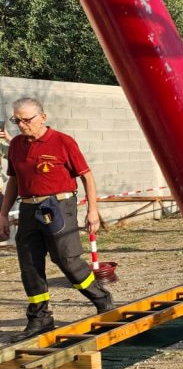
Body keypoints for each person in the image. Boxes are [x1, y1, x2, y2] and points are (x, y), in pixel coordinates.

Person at [0, 97, 114, 341]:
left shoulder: (63, 142)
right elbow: (14, 181)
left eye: (26, 120)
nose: (21, 125)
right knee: (29, 265)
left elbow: (87, 176)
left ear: (43, 117)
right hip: (29, 209)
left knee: (66, 260)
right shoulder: (17, 145)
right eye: (16, 120)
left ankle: (102, 299)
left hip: (59, 206)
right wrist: (2, 213)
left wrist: (92, 210)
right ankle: (40, 318)